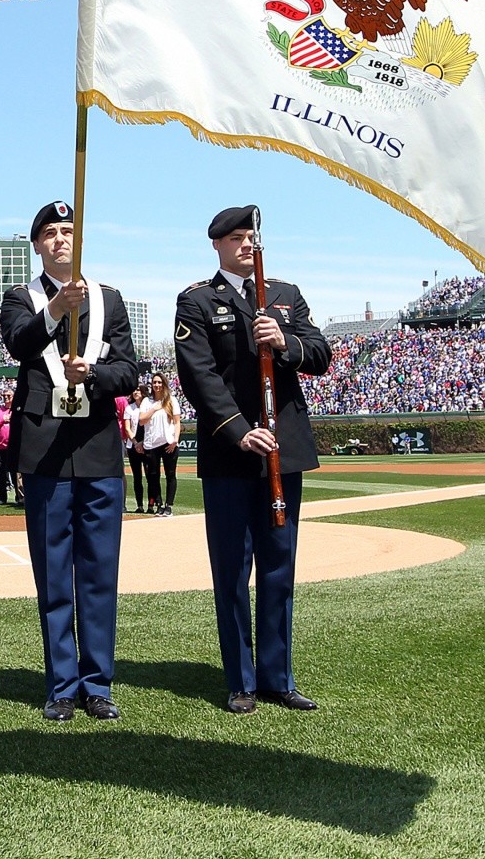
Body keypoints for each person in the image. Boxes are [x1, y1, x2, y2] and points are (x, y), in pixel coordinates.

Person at [174, 205, 332, 714]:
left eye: (253, 237)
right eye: (237, 238)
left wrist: (284, 343)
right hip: (232, 454)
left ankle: (277, 676)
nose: (247, 245)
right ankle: (241, 680)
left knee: (279, 568)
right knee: (232, 571)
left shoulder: (284, 295)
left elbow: (321, 354)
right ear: (217, 244)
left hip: (282, 453)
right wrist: (240, 432)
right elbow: (200, 376)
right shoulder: (197, 300)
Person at [0, 200, 140, 721]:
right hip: (44, 449)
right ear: (37, 245)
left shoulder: (111, 298)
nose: (61, 239)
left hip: (98, 446)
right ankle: (61, 684)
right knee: (54, 572)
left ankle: (98, 683)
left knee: (100, 572)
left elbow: (128, 369)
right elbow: (18, 343)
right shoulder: (22, 297)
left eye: (69, 231)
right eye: (51, 233)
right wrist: (58, 308)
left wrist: (96, 376)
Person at [140, 371, 182, 515]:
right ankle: (158, 503)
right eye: (154, 382)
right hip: (151, 444)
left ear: (164, 384)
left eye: (159, 382)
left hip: (168, 443)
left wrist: (175, 440)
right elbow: (141, 420)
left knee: (170, 474)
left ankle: (168, 505)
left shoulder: (171, 400)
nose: (157, 385)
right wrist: (153, 409)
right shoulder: (147, 402)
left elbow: (177, 422)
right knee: (153, 475)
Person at [123, 388, 149, 514]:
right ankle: (139, 505)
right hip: (132, 445)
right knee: (137, 477)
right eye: (134, 390)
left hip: (148, 444)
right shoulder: (129, 408)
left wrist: (143, 442)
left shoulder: (149, 405)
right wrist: (135, 443)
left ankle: (152, 503)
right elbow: (127, 428)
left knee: (151, 476)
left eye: (138, 390)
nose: (136, 392)